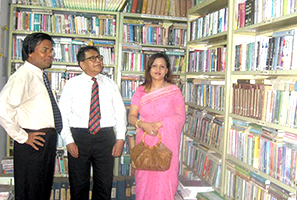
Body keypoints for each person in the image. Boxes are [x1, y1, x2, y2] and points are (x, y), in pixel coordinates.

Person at [59, 46, 126, 200]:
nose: (98, 61)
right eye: (92, 58)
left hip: (105, 137)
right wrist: (68, 140)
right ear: (82, 64)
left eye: (99, 57)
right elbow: (63, 114)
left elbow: (120, 112)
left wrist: (120, 138)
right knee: (78, 184)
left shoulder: (110, 84)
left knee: (104, 184)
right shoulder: (72, 84)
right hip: (79, 137)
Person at [0, 32, 61, 200]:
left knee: (41, 190)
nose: (50, 55)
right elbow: (3, 108)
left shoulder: (39, 76)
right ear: (29, 52)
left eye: (51, 51)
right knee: (30, 191)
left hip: (44, 140)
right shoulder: (22, 76)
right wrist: (22, 136)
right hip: (33, 141)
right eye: (45, 50)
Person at [128, 53, 186, 200]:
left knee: (164, 181)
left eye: (162, 66)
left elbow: (180, 117)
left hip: (166, 144)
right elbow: (131, 116)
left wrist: (160, 124)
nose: (158, 69)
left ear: (167, 71)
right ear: (149, 69)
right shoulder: (140, 91)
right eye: (154, 66)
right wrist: (142, 124)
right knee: (144, 181)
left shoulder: (174, 91)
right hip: (145, 142)